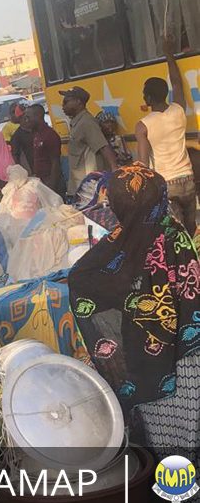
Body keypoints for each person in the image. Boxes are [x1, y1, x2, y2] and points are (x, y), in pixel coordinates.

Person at [69, 164, 199, 446]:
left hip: (142, 358)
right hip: (186, 355)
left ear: (116, 204)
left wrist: (128, 302)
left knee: (162, 435)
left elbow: (82, 279)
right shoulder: (175, 235)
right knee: (189, 430)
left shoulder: (115, 245)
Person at [135, 34, 196, 236]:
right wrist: (168, 52)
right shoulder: (178, 110)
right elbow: (177, 83)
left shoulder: (143, 126)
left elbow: (143, 164)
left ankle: (184, 266)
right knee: (191, 227)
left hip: (166, 183)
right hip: (187, 178)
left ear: (149, 98)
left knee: (176, 235)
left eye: (145, 94)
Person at [60, 86, 117, 197]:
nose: (63, 105)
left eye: (66, 101)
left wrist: (115, 170)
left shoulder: (87, 122)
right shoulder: (77, 122)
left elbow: (103, 146)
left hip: (88, 187)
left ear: (78, 102)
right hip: (79, 184)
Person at [26, 104, 63, 193]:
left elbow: (55, 161)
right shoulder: (36, 134)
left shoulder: (49, 135)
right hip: (41, 181)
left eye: (28, 117)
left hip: (50, 181)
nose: (26, 121)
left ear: (38, 116)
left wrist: (52, 186)